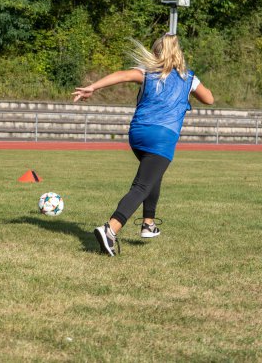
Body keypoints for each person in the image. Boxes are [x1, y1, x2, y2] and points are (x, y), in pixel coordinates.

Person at [72, 34, 214, 256]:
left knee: (152, 176)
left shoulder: (147, 71)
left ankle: (148, 223)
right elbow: (209, 99)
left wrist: (92, 87)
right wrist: (189, 88)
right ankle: (110, 229)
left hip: (138, 134)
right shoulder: (189, 78)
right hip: (163, 136)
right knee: (141, 186)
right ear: (179, 53)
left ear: (156, 52)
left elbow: (122, 75)